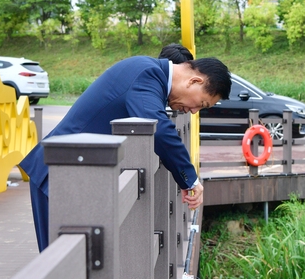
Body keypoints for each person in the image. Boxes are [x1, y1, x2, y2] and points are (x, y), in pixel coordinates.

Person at [19, 54, 232, 252]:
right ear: (194, 81)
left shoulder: (147, 70)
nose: (194, 111)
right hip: (60, 175)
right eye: (202, 104)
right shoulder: (147, 75)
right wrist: (190, 180)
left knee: (78, 266)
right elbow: (158, 129)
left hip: (71, 174)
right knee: (64, 268)